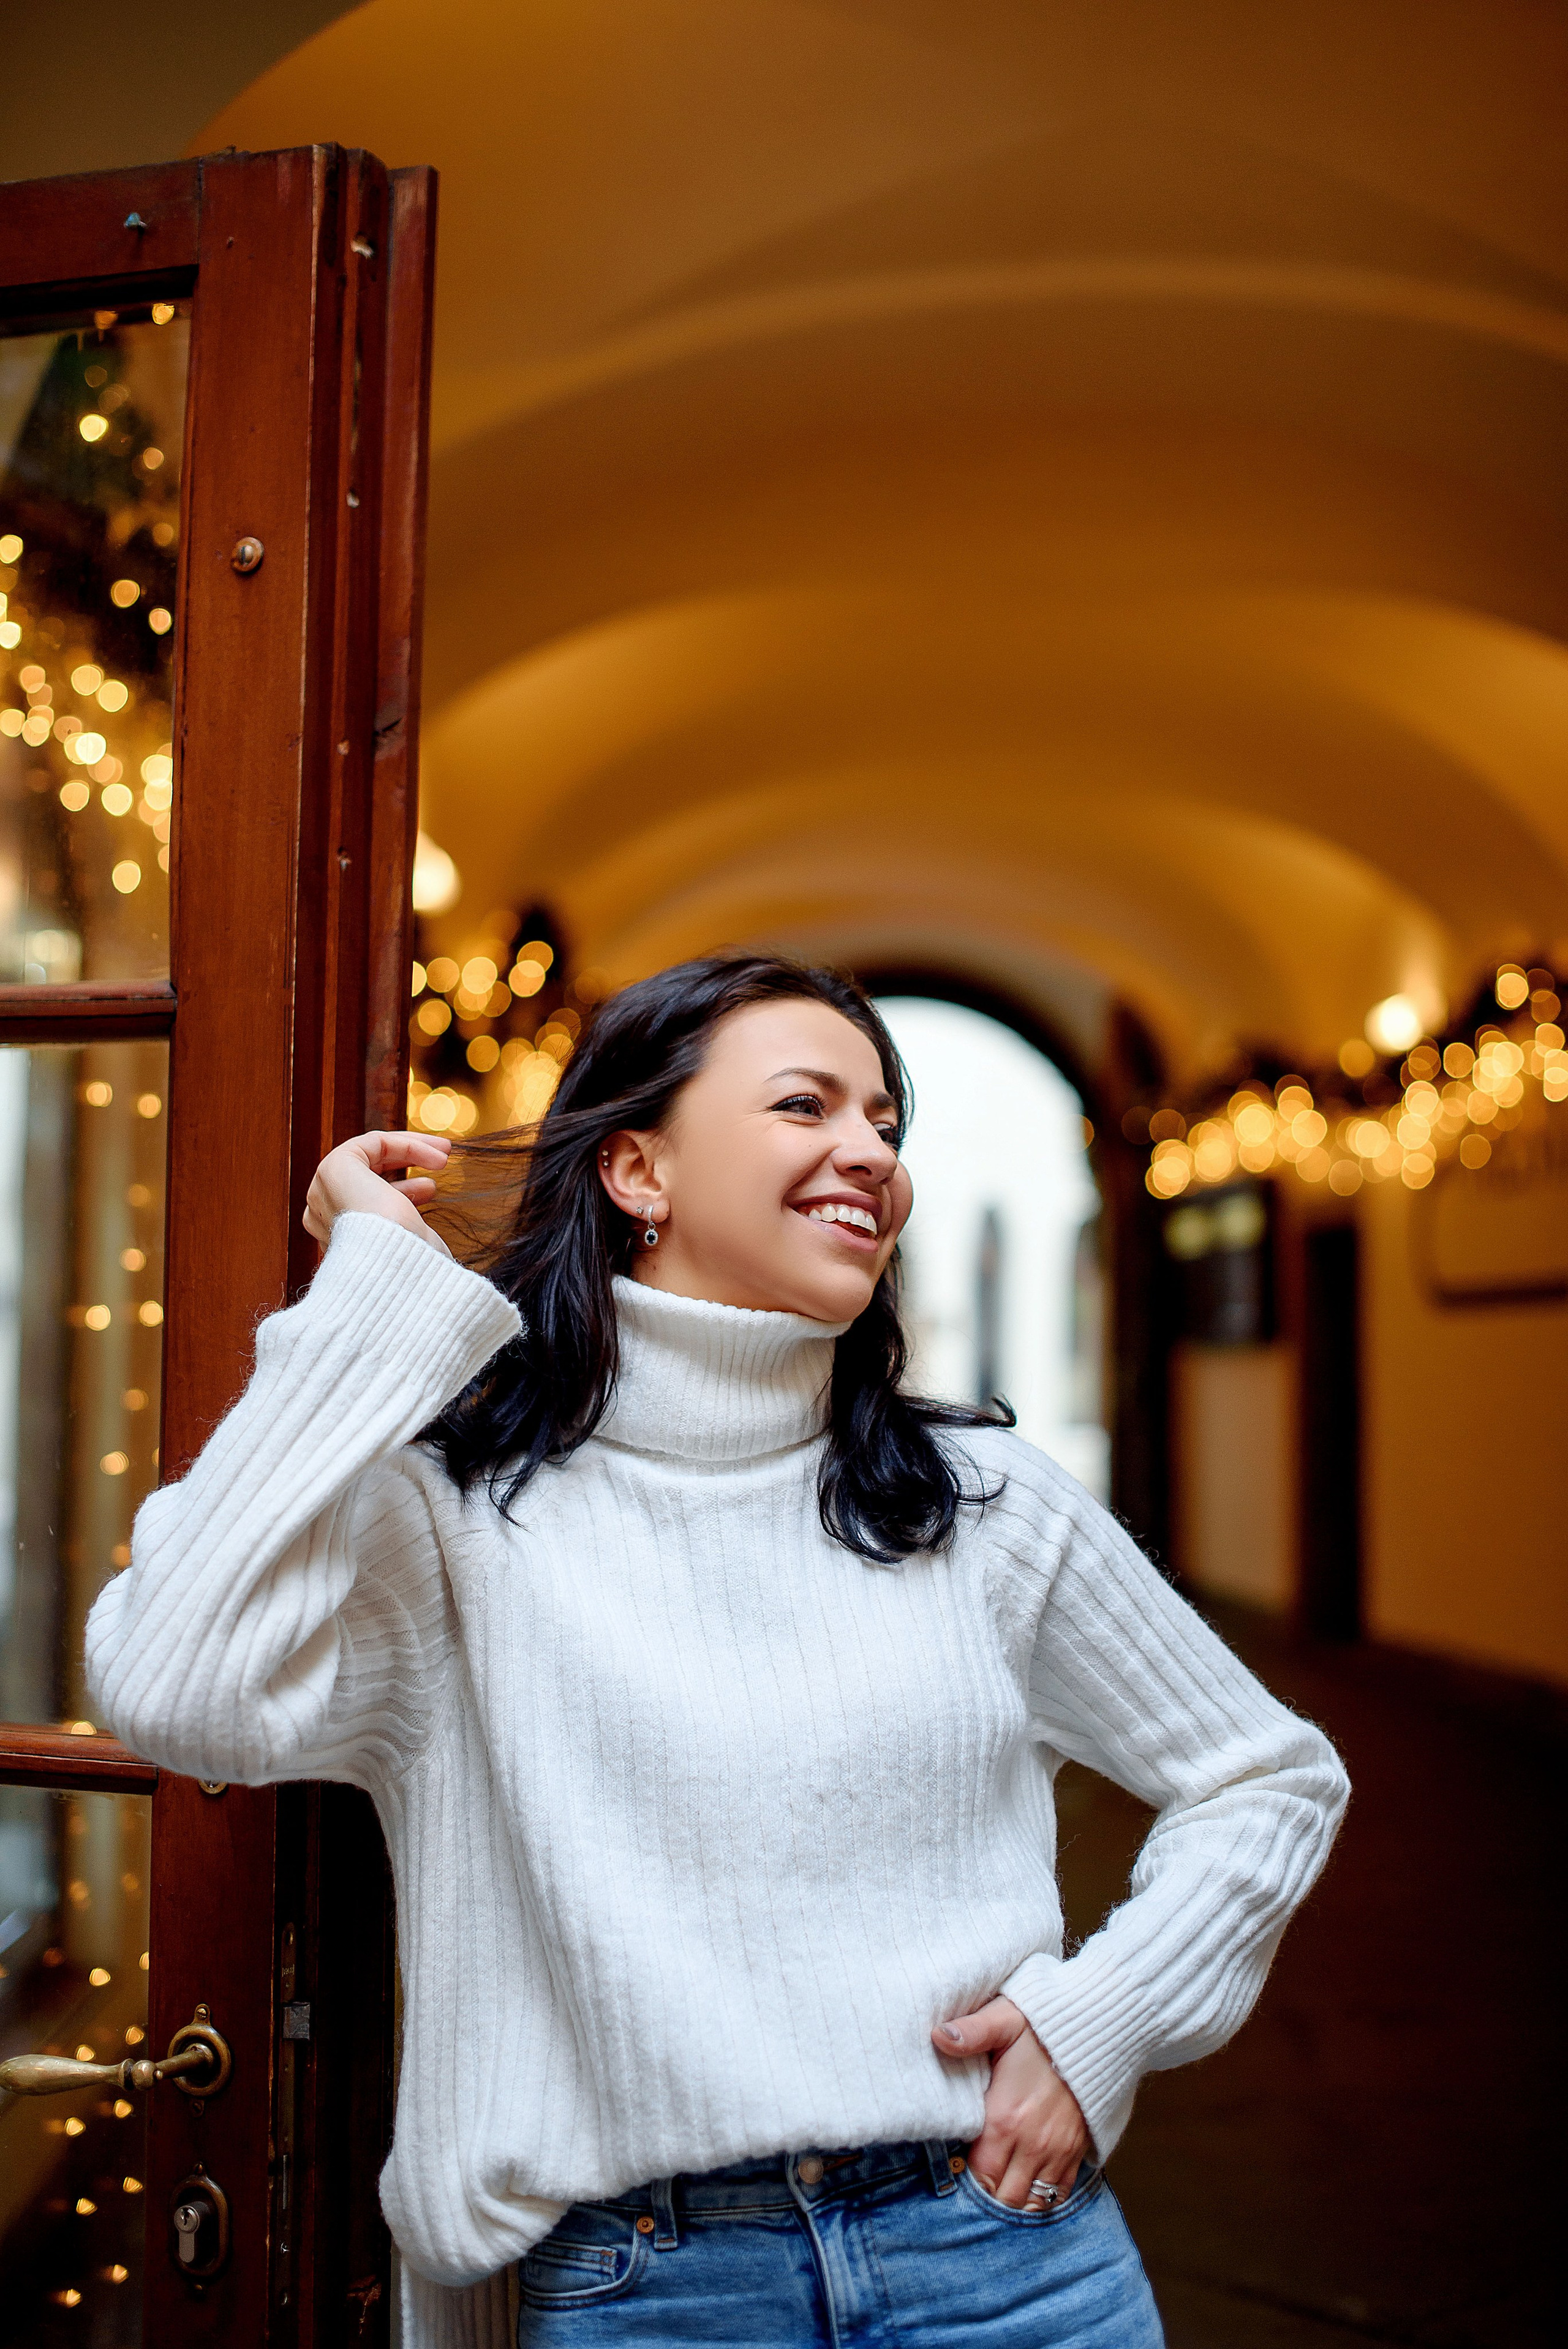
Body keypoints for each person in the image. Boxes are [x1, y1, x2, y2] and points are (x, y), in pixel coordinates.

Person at [86, 952, 1348, 2349]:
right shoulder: (456, 1522)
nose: (867, 1151)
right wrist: (373, 1290)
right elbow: (174, 1681)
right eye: (806, 1105)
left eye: (885, 1121)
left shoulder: (977, 1504)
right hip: (654, 2290)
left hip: (1003, 2252)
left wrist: (1098, 2016)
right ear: (637, 1170)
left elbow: (1264, 1776)